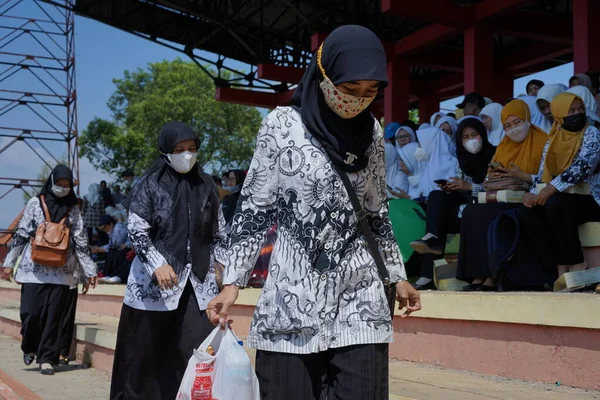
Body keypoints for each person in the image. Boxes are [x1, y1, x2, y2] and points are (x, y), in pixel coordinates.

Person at [207, 25, 421, 400]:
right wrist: (233, 282)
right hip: (293, 295)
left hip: (360, 295)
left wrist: (396, 275)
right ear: (323, 75)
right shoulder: (282, 125)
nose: (356, 101)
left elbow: (376, 211)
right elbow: (255, 206)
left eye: (370, 93)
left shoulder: (370, 132)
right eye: (348, 90)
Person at [110, 121, 228, 400]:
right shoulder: (148, 184)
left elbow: (220, 233)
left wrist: (222, 267)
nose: (187, 155)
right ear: (165, 151)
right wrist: (157, 264)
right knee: (143, 359)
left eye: (192, 149)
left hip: (199, 285)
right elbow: (138, 231)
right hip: (154, 288)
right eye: (179, 149)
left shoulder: (207, 185)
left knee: (195, 353)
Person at [1, 165, 97, 375]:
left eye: (67, 185)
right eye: (60, 184)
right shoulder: (36, 203)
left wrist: (90, 271)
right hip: (33, 269)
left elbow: (81, 241)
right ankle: (29, 346)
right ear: (51, 182)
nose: (63, 188)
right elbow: (22, 233)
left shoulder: (73, 209)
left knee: (54, 317)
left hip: (62, 271)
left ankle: (47, 358)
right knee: (30, 313)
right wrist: (9, 262)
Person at [457, 99, 548, 291]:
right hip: (503, 195)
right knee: (472, 212)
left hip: (530, 197)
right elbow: (489, 179)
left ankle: (493, 275)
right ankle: (477, 274)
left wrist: (521, 176)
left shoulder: (543, 142)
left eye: (517, 122)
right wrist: (496, 174)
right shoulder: (503, 146)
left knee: (493, 214)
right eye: (508, 125)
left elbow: (548, 178)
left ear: (527, 118)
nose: (513, 129)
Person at [410, 119, 495, 289]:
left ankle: (429, 272)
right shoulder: (461, 160)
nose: (470, 140)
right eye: (465, 137)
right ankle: (431, 249)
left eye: (474, 135)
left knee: (447, 217)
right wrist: (453, 188)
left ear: (483, 135)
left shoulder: (494, 155)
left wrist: (470, 187)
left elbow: (496, 189)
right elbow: (462, 189)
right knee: (437, 196)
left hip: (489, 205)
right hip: (467, 204)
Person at [524, 92, 600, 277]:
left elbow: (583, 166)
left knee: (558, 205)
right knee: (528, 213)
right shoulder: (553, 139)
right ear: (559, 115)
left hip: (592, 198)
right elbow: (544, 173)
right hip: (561, 197)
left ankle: (576, 265)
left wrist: (551, 189)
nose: (577, 113)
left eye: (580, 109)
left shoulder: (592, 132)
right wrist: (532, 193)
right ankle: (552, 269)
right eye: (571, 110)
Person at [91, 215, 131, 284]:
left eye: (105, 227)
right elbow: (111, 245)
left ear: (111, 224)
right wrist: (100, 249)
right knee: (110, 252)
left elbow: (116, 244)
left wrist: (101, 249)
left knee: (112, 252)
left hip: (127, 250)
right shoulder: (113, 230)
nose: (105, 230)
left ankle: (113, 275)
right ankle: (108, 274)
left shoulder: (118, 228)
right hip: (119, 250)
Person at [388, 126, 418, 199]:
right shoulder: (393, 157)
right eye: (400, 137)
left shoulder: (418, 153)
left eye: (406, 136)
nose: (403, 139)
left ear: (412, 136)